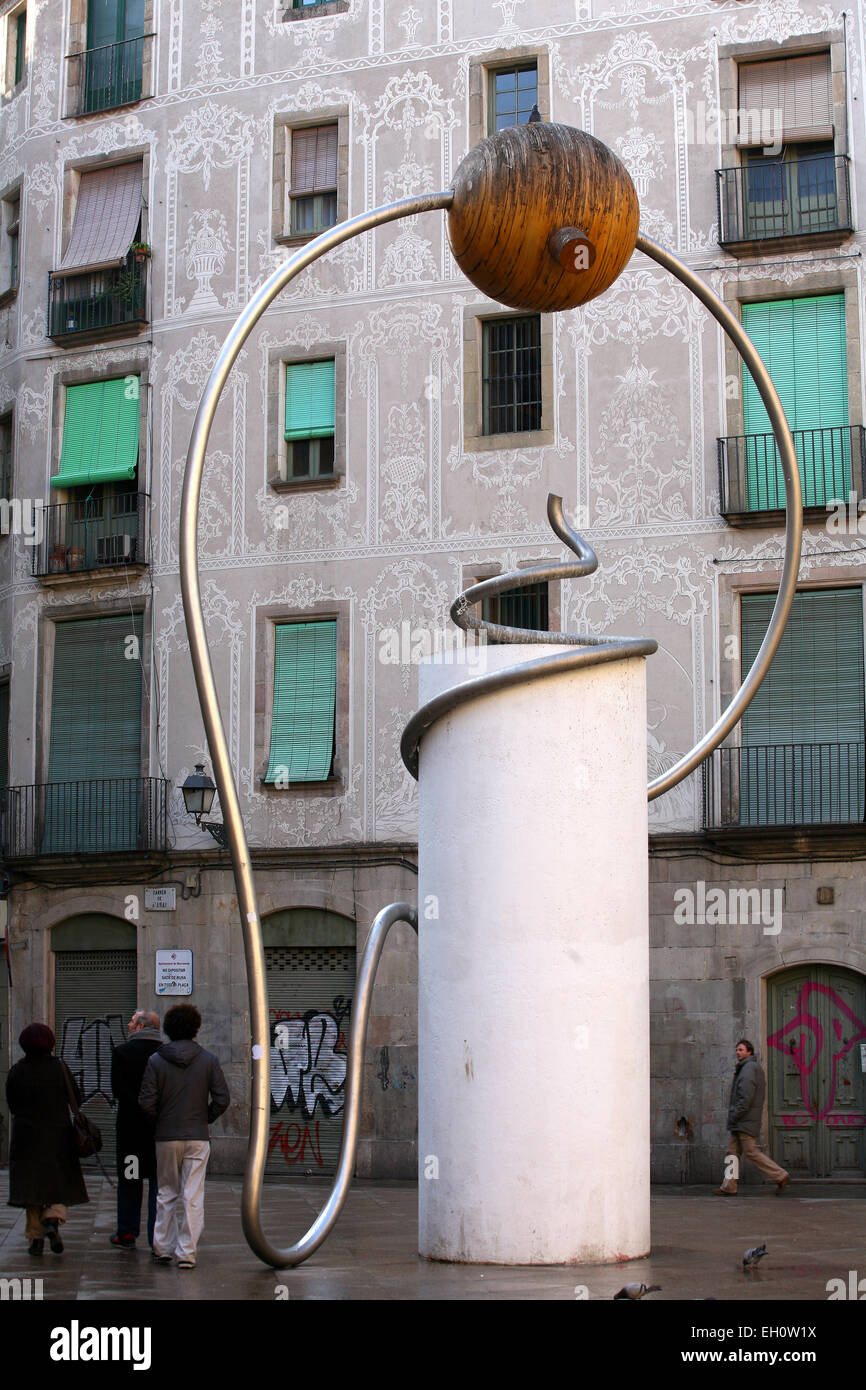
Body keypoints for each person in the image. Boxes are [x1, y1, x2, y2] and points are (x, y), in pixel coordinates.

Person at [138, 1003, 229, 1269]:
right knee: (193, 1193)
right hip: (197, 1135)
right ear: (196, 1028)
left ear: (167, 1029)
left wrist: (162, 1120)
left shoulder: (155, 1060)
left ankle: (162, 1247)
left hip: (166, 1136)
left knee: (166, 1191)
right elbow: (222, 1098)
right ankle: (187, 1252)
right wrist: (205, 1117)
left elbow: (146, 1101)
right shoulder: (209, 1060)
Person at [5, 1022, 89, 1255]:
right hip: (58, 1136)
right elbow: (77, 1099)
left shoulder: (17, 1071)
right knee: (60, 1181)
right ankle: (52, 1219)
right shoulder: (60, 1068)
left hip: (26, 1138)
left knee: (31, 1187)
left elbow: (12, 1103)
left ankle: (36, 1238)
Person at [110, 1009, 162, 1250]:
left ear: (141, 1027)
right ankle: (156, 1237)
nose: (128, 1025)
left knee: (130, 1181)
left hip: (131, 1131)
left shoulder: (122, 1052)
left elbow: (118, 1091)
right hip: (158, 1131)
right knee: (156, 1184)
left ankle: (127, 1232)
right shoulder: (164, 1054)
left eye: (131, 1021)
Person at [715, 1038, 789, 1196]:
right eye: (737, 1049)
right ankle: (729, 1186)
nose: (738, 1052)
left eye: (741, 1050)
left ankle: (780, 1174)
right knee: (732, 1152)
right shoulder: (747, 1067)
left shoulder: (748, 1069)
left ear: (749, 1052)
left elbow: (745, 1097)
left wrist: (735, 1115)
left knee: (751, 1151)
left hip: (744, 1119)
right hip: (741, 1120)